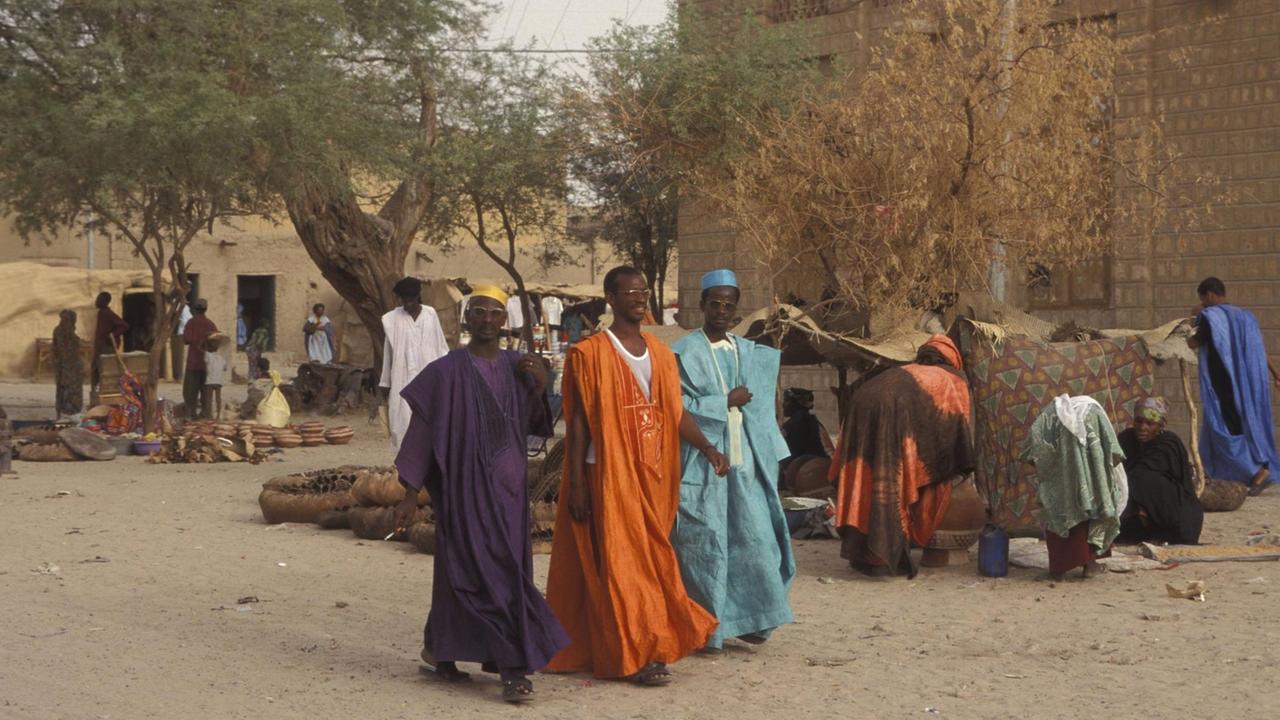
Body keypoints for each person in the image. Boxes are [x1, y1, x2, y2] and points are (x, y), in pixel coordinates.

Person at [546, 266, 728, 686]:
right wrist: (574, 484)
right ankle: (642, 655)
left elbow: (674, 413)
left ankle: (637, 645)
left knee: (652, 563)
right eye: (630, 292)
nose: (639, 298)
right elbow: (577, 425)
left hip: (653, 477)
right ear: (611, 297)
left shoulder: (661, 354)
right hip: (606, 476)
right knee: (622, 566)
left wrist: (708, 447)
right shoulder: (588, 354)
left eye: (644, 291)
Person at [392, 284, 568, 705]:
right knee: (462, 575)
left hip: (508, 497)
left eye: (495, 313)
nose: (487, 320)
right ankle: (506, 668)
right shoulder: (445, 371)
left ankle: (458, 652)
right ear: (467, 318)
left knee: (504, 575)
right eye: (479, 312)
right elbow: (422, 431)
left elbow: (540, 422)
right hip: (462, 490)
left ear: (504, 321)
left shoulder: (519, 366)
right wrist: (409, 493)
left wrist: (542, 382)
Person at [670, 269, 795, 651]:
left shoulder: (746, 351)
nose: (722, 311)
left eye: (729, 305)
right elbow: (674, 408)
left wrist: (771, 458)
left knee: (757, 539)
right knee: (705, 545)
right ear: (702, 305)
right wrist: (723, 402)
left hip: (746, 463)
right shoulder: (682, 352)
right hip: (702, 464)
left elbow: (762, 412)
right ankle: (707, 629)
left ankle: (755, 618)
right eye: (715, 304)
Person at [831, 335, 974, 577]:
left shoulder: (904, 370)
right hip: (891, 412)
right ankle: (881, 557)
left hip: (861, 402)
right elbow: (955, 425)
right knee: (890, 482)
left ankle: (861, 554)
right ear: (952, 359)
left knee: (863, 480)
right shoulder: (952, 378)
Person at [1187, 277, 1279, 496]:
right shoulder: (1246, 317)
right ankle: (1234, 472)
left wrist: (1193, 316)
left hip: (1223, 386)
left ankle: (1259, 470)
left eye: (1202, 299)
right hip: (1248, 388)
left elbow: (1193, 342)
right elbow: (1260, 350)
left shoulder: (1211, 317)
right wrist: (1276, 373)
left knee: (1227, 430)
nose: (1203, 303)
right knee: (1244, 428)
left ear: (1209, 295)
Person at [1021, 395, 1128, 581]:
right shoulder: (1094, 412)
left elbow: (1033, 448)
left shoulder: (1051, 415)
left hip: (1062, 484)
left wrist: (1054, 468)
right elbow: (1113, 450)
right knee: (1094, 511)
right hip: (1094, 481)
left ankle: (1058, 572)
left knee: (1061, 517)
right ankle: (1090, 565)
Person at [1117, 397, 1203, 544]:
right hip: (1135, 505)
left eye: (1150, 423)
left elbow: (1138, 476)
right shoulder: (1126, 438)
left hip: (1173, 510)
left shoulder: (1169, 444)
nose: (1142, 427)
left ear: (1161, 425)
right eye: (1138, 421)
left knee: (1141, 478)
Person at [379, 276, 448, 451]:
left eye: (411, 300)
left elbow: (440, 346)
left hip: (430, 377)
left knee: (432, 419)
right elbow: (388, 353)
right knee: (402, 422)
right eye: (404, 301)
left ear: (418, 297)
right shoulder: (391, 319)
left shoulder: (430, 314)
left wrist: (446, 374)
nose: (408, 304)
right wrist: (385, 383)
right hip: (403, 378)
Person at [181, 299, 217, 420]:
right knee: (206, 390)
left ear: (194, 309)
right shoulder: (210, 324)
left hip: (193, 362)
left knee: (190, 390)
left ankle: (191, 414)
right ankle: (206, 414)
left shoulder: (191, 323)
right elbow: (216, 343)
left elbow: (186, 340)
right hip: (207, 364)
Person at [91, 292, 129, 392]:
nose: (96, 301)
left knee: (104, 372)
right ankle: (97, 394)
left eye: (99, 299)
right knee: (96, 371)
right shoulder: (101, 313)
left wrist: (113, 334)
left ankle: (105, 393)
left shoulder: (108, 313)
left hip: (106, 348)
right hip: (99, 348)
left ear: (104, 302)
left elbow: (124, 325)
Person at [782, 387, 830, 460]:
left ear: (795, 403)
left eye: (786, 401)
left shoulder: (798, 421)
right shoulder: (811, 419)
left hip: (802, 462)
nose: (783, 405)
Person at [52, 310, 84, 419]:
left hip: (70, 367)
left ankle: (67, 413)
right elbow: (59, 349)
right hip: (67, 367)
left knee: (68, 390)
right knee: (66, 390)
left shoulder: (63, 331)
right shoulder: (63, 332)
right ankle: (66, 413)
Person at [203, 333, 227, 421]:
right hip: (219, 381)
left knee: (209, 399)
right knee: (218, 398)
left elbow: (203, 349)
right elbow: (225, 368)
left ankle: (208, 415)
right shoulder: (221, 358)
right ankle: (218, 415)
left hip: (210, 381)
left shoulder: (207, 355)